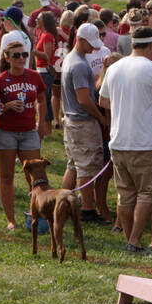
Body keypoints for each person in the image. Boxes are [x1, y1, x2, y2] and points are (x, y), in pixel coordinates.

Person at [99, 27, 152, 252]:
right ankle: (134, 240)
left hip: (118, 140)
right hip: (146, 142)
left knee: (125, 194)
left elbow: (104, 101)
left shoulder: (115, 67)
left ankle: (130, 240)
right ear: (150, 46)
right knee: (149, 192)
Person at [0, 39, 46, 230]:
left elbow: (41, 98)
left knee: (35, 177)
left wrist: (43, 124)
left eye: (24, 55)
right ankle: (11, 220)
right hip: (5, 132)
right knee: (6, 177)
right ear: (7, 58)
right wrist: (6, 106)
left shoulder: (34, 76)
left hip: (29, 131)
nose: (21, 58)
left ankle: (35, 216)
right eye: (16, 55)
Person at [60, 23, 110, 225]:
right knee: (87, 166)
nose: (94, 48)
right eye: (91, 44)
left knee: (74, 164)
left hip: (72, 121)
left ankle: (63, 202)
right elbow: (84, 99)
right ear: (80, 40)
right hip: (83, 122)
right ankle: (87, 210)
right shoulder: (79, 65)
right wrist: (100, 117)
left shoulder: (71, 59)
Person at [33, 10, 59, 140]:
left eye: (38, 19)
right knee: (45, 100)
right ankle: (46, 129)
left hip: (45, 72)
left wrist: (33, 51)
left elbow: (47, 57)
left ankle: (46, 129)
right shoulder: (43, 34)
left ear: (44, 22)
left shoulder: (47, 36)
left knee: (44, 100)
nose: (36, 21)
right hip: (42, 71)